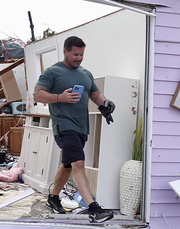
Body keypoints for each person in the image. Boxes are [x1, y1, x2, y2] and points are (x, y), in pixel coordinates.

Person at [33, 36, 115, 223]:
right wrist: (59, 98)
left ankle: (53, 198)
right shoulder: (53, 72)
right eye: (75, 54)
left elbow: (94, 93)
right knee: (78, 163)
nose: (79, 58)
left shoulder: (86, 73)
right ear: (65, 51)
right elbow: (38, 94)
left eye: (81, 54)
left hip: (81, 126)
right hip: (64, 125)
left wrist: (106, 103)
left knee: (68, 165)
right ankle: (94, 209)